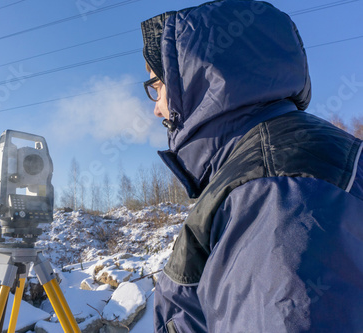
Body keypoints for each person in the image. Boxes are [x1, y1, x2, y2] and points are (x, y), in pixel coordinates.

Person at [140, 1, 363, 332]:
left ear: (195, 82)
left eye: (157, 86)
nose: (157, 109)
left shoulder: (273, 191)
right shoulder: (270, 167)